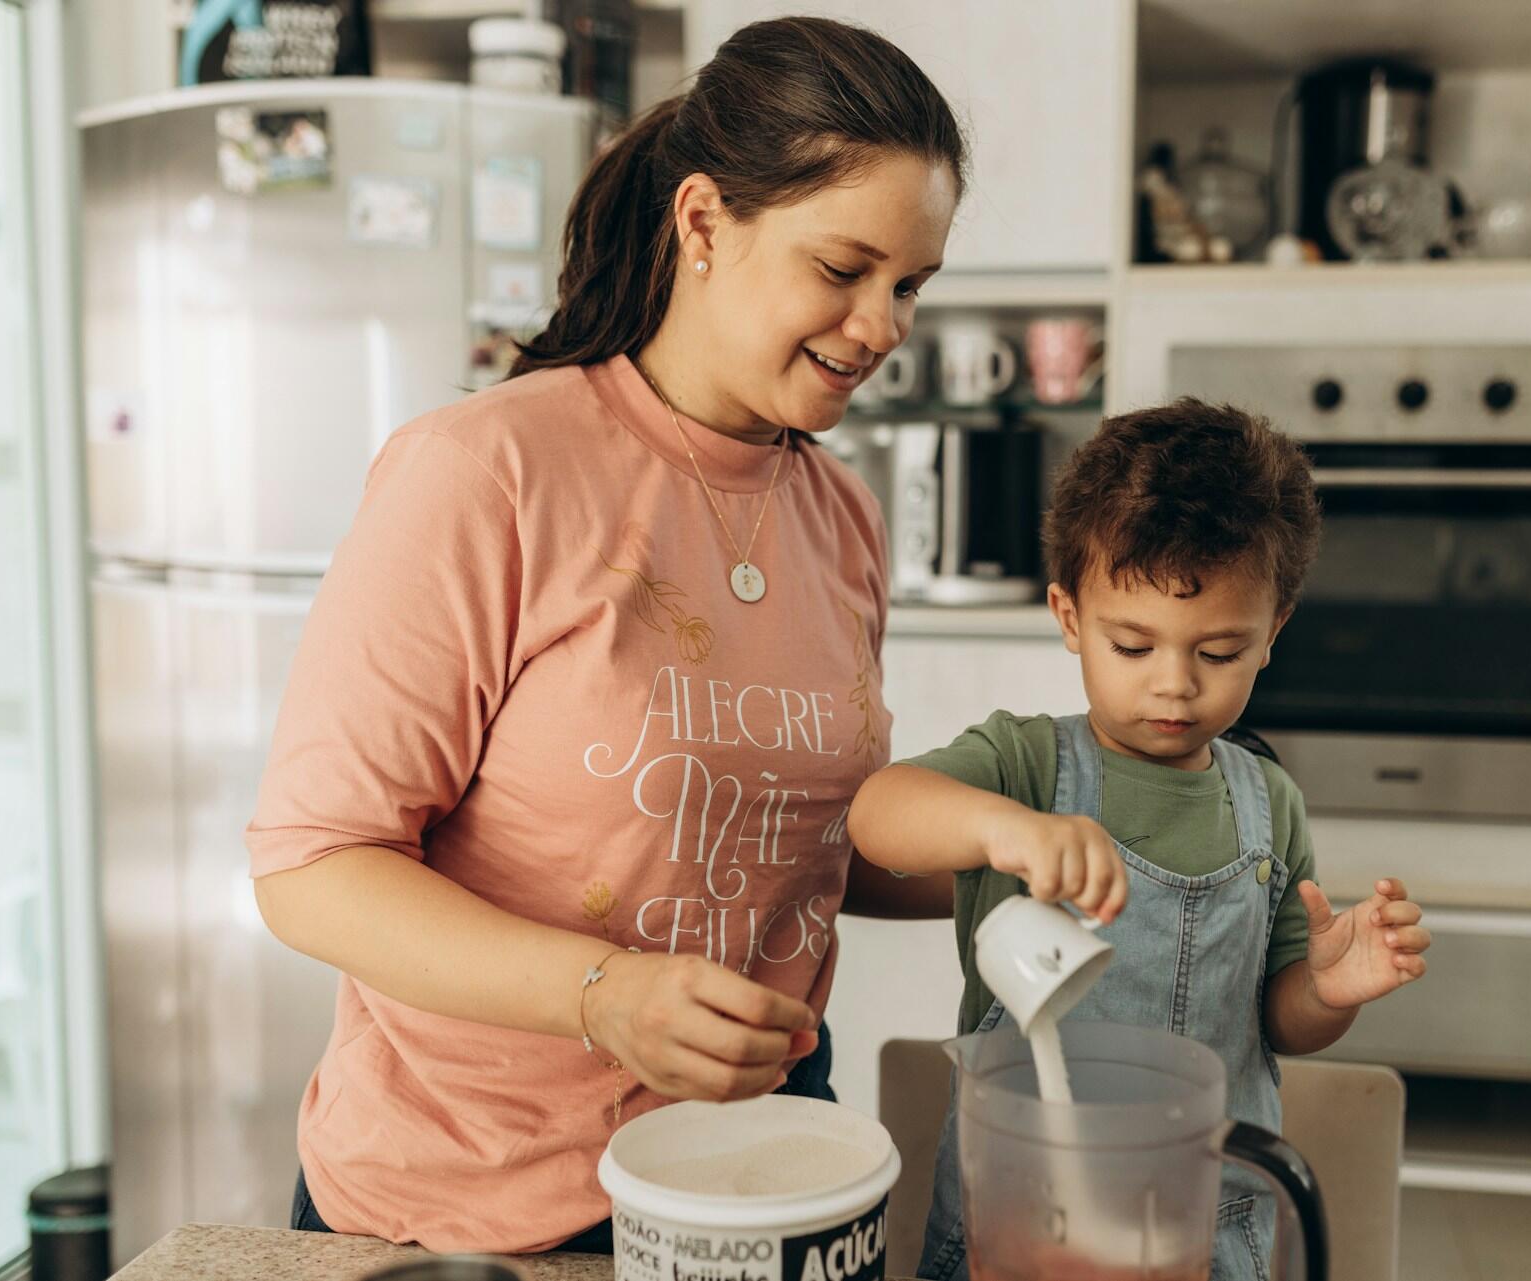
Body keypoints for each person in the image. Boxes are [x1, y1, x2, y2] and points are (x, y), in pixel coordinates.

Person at [244, 15, 965, 1254]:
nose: (885, 325)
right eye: (844, 270)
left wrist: (1069, 855)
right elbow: (312, 869)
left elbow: (803, 837)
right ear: (702, 224)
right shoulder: (484, 473)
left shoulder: (840, 512)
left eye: (909, 285)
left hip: (755, 1168)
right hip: (474, 1205)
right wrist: (603, 995)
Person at [848, 399, 1434, 1281]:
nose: (1175, 685)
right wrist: (1005, 828)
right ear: (1070, 616)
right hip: (1021, 1216)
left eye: (1219, 651)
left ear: (1272, 633)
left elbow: (1276, 1020)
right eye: (1132, 644)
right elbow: (879, 812)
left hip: (1203, 1226)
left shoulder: (1269, 805)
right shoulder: (1024, 762)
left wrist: (1327, 986)